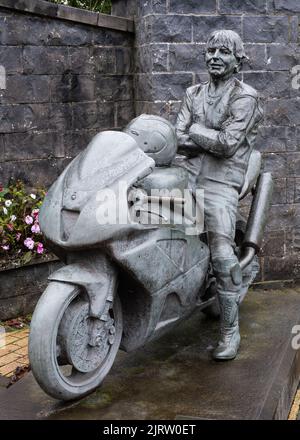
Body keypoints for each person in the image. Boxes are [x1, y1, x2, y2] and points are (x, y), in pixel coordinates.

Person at [175, 29, 263, 360]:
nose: (215, 56)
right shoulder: (192, 93)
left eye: (224, 52)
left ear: (237, 61)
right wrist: (198, 137)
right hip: (185, 175)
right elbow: (174, 138)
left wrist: (193, 132)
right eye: (211, 50)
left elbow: (227, 145)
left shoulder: (246, 98)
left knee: (222, 253)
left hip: (221, 182)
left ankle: (229, 331)